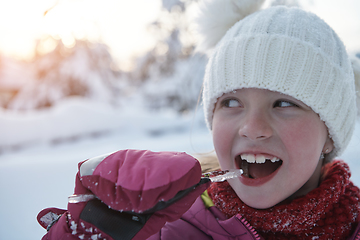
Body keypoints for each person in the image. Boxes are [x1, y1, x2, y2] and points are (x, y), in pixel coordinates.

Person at [37, 0, 360, 239]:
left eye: (284, 103)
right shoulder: (169, 229)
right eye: (232, 102)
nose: (252, 128)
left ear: (330, 132)